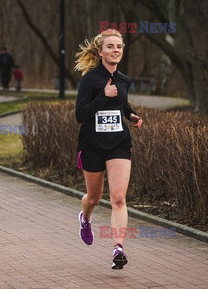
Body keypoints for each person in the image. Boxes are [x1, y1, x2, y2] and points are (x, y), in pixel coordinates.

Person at [73, 29, 143, 270]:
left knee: (119, 197)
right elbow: (80, 114)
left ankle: (118, 249)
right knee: (93, 197)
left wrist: (131, 114)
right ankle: (85, 218)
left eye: (119, 47)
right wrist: (103, 95)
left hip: (118, 143)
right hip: (92, 144)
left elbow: (121, 104)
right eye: (111, 47)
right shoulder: (89, 80)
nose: (116, 50)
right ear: (101, 51)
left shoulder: (123, 80)